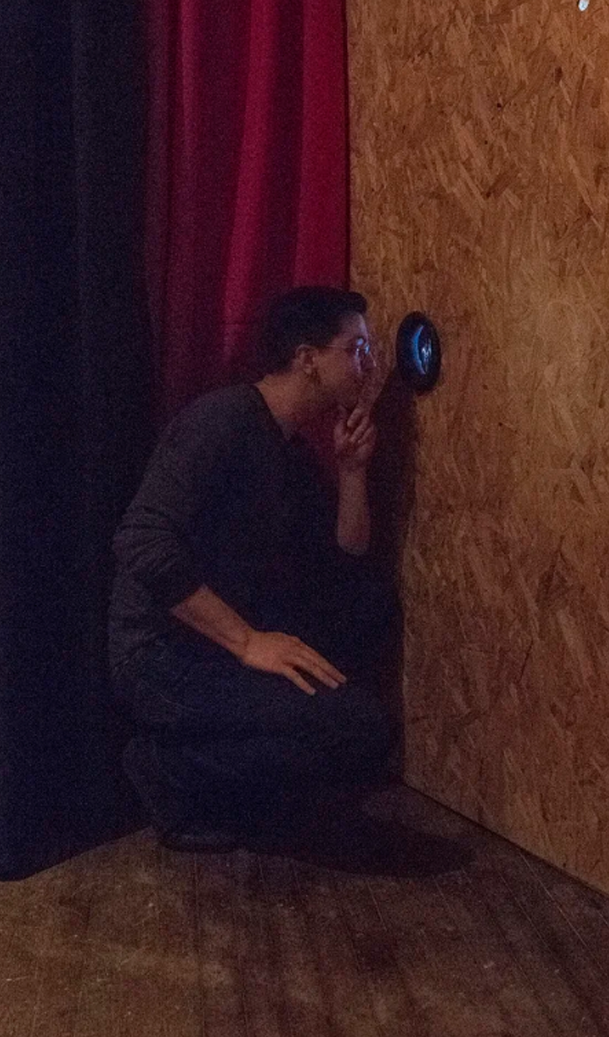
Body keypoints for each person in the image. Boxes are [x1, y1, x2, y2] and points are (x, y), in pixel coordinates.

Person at [109, 286, 402, 857]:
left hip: (222, 641)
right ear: (307, 358)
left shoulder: (290, 449)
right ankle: (168, 771)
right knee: (360, 730)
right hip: (163, 657)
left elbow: (345, 556)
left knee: (370, 609)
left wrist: (352, 473)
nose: (368, 366)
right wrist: (247, 642)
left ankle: (244, 776)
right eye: (356, 350)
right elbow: (141, 541)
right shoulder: (221, 422)